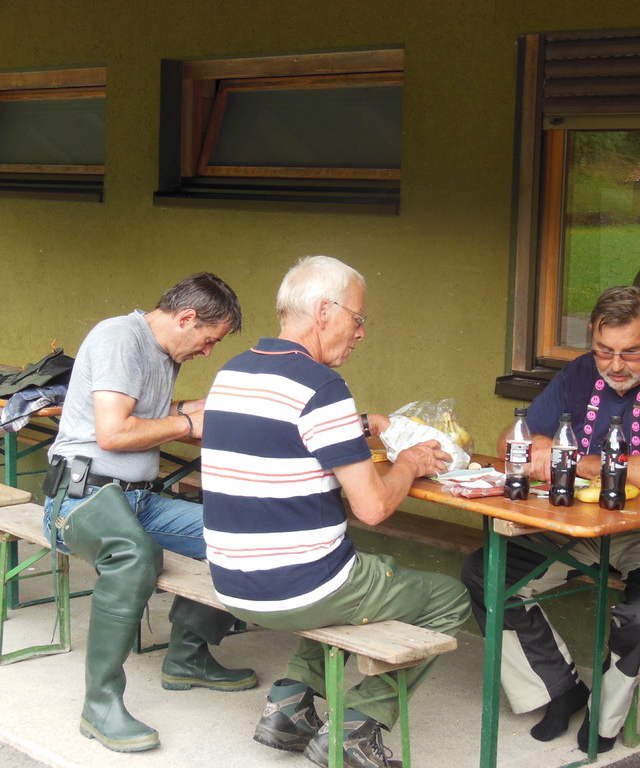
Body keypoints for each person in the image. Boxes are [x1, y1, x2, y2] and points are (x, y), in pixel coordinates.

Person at [201, 255, 472, 768]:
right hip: (299, 587)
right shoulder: (322, 388)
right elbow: (371, 507)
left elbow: (285, 438)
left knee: (354, 573)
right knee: (448, 596)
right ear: (324, 311)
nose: (361, 332)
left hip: (231, 580)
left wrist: (365, 424)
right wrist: (412, 462)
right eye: (358, 317)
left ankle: (291, 705)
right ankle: (357, 727)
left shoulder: (232, 370)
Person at [461, 285, 640, 754]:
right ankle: (558, 688)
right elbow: (511, 442)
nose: (616, 365)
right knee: (486, 573)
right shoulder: (580, 372)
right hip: (580, 528)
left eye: (631, 352)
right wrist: (537, 446)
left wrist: (566, 456)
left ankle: (604, 715)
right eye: (604, 351)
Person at [43, 273, 257, 754]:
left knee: (240, 535)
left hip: (137, 501)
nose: (207, 353)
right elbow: (114, 434)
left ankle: (187, 656)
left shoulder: (163, 352)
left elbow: (146, 413)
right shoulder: (121, 337)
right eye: (208, 341)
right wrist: (186, 422)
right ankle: (99, 705)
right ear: (186, 318)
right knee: (136, 555)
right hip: (79, 501)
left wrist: (196, 407)